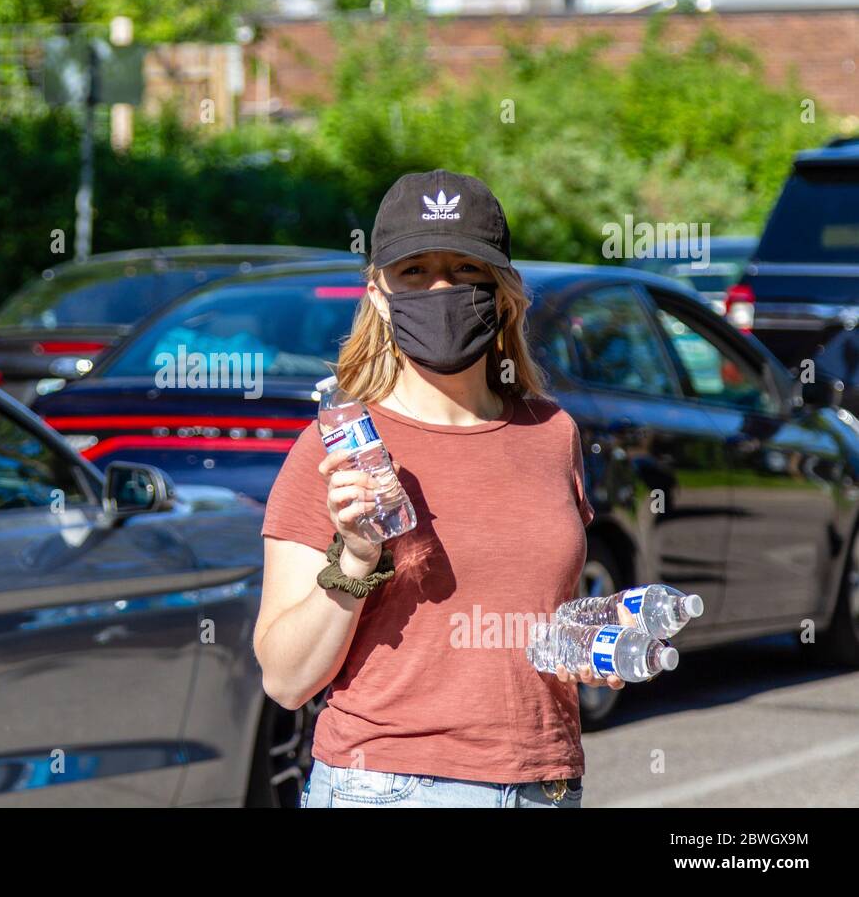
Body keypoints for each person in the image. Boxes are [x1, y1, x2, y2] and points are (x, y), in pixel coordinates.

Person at [253, 169, 631, 808]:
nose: (441, 289)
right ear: (377, 292)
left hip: (547, 785)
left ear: (504, 290)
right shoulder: (339, 447)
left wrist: (603, 637)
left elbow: (534, 623)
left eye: (464, 270)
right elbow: (285, 680)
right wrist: (354, 560)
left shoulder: (551, 433)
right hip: (391, 787)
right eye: (415, 272)